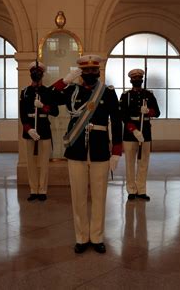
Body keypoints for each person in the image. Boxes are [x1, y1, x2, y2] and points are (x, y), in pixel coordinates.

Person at [52, 55, 122, 254]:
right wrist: (65, 81)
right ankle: (81, 237)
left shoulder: (107, 93)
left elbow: (117, 122)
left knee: (99, 196)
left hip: (100, 149)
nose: (91, 73)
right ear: (81, 72)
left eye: (94, 70)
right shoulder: (72, 90)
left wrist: (116, 151)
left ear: (98, 71)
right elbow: (49, 98)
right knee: (78, 196)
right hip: (76, 149)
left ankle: (97, 236)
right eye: (86, 70)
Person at [19, 61, 59, 201]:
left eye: (39, 73)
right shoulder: (24, 92)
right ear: (30, 74)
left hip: (44, 128)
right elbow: (22, 114)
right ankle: (33, 189)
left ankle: (42, 190)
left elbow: (55, 112)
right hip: (30, 129)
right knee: (30, 162)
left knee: (43, 162)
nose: (36, 75)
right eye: (34, 72)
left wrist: (43, 106)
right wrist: (28, 129)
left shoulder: (48, 91)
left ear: (42, 74)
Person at [120, 68, 160, 201]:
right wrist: (134, 130)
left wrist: (148, 111)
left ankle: (141, 190)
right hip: (130, 132)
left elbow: (157, 112)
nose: (137, 80)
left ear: (142, 80)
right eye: (134, 78)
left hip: (146, 131)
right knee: (130, 162)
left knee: (143, 162)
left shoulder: (148, 94)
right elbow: (123, 115)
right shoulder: (126, 96)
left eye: (139, 78)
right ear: (130, 80)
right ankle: (131, 189)